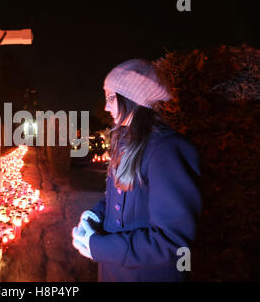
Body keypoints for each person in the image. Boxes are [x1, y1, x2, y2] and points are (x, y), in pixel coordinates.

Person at [71, 59, 202, 282]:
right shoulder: (126, 144)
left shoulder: (167, 150)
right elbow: (117, 200)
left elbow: (171, 240)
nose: (105, 107)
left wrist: (99, 247)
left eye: (110, 98)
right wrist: (94, 215)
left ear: (131, 97)